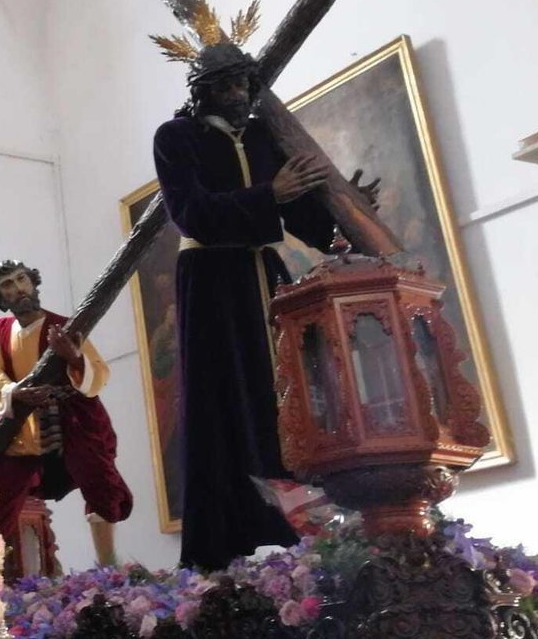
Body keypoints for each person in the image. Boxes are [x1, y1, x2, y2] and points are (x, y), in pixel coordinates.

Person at [152, 40, 376, 570]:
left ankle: (301, 518)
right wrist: (267, 196)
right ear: (202, 89)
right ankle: (227, 536)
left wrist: (349, 215)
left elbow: (302, 215)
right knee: (223, 396)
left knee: (287, 389)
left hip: (263, 273)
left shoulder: (260, 138)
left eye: (244, 85)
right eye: (226, 85)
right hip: (210, 278)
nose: (237, 95)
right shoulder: (175, 138)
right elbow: (192, 214)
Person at [0, 260, 131, 573]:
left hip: (73, 416)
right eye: (7, 285)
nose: (17, 288)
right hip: (22, 422)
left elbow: (98, 374)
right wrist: (14, 392)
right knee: (2, 494)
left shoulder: (65, 325)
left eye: (21, 279)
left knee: (98, 482)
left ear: (34, 283)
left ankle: (108, 567)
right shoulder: (0, 332)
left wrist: (73, 358)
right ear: (0, 296)